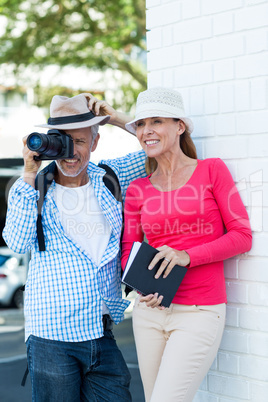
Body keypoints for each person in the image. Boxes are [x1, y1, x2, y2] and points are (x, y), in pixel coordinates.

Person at [3, 93, 146, 401]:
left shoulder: (110, 176)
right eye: (62, 141)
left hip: (101, 331)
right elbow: (16, 242)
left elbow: (161, 151)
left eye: (79, 142)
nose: (70, 152)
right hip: (51, 337)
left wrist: (117, 118)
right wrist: (29, 171)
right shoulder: (30, 188)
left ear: (94, 142)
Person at [121, 87, 252, 402]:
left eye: (156, 121)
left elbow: (241, 235)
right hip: (149, 313)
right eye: (140, 124)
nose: (146, 131)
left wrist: (186, 256)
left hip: (199, 311)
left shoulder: (211, 170)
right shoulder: (138, 189)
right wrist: (141, 287)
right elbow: (129, 249)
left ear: (179, 126)